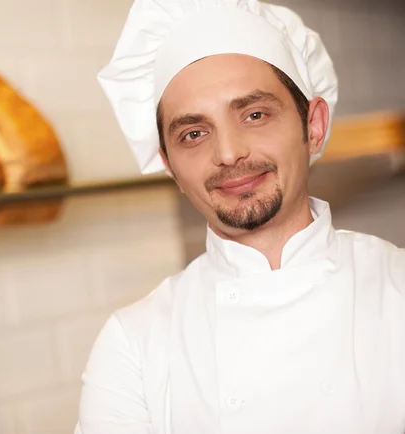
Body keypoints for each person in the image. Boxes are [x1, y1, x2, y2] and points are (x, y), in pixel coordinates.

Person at [74, 0, 405, 433]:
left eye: (254, 114)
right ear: (170, 164)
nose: (228, 153)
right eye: (194, 134)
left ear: (314, 126)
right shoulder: (133, 346)